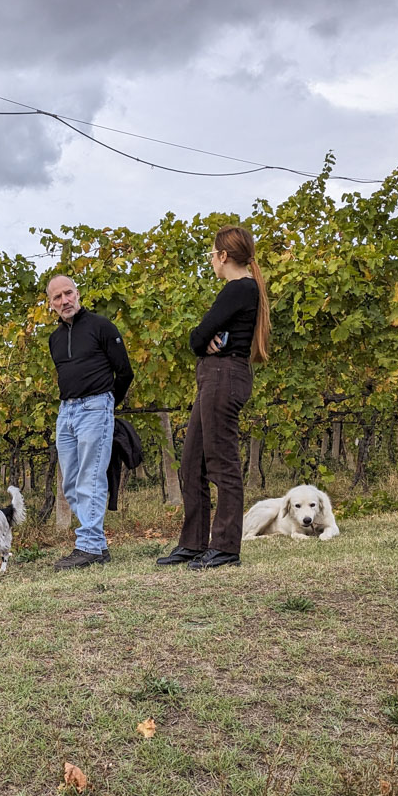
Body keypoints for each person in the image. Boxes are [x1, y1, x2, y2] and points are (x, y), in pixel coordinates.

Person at [158, 225, 271, 570]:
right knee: (193, 462)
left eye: (212, 254)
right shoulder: (239, 290)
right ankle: (194, 543)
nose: (211, 260)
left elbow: (197, 338)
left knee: (222, 464)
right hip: (215, 376)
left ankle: (225, 547)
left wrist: (203, 340)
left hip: (224, 376)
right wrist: (204, 340)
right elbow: (201, 339)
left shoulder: (239, 288)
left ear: (223, 256)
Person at [45, 275, 134, 570]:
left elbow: (124, 373)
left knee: (91, 478)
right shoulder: (55, 339)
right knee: (71, 482)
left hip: (96, 406)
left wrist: (106, 405)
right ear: (51, 304)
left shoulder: (101, 327)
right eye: (57, 298)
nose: (64, 301)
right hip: (66, 411)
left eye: (68, 293)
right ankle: (96, 544)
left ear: (78, 294)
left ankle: (89, 547)